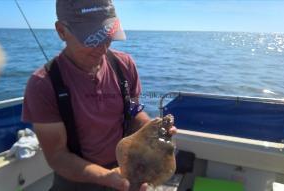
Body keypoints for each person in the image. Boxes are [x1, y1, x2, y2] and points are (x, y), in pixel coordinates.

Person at [22, 0, 176, 190]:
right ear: (62, 31)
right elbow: (57, 156)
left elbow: (134, 110)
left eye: (107, 35)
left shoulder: (124, 65)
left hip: (126, 168)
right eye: (90, 38)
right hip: (76, 180)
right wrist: (109, 178)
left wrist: (151, 129)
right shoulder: (42, 84)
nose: (102, 47)